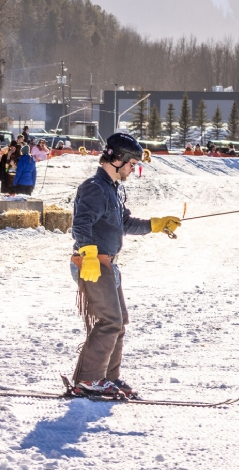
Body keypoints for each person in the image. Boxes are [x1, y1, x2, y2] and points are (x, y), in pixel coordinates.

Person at [69, 133, 181, 399]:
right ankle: (88, 380)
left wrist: (156, 224)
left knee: (120, 321)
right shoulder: (95, 187)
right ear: (117, 159)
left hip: (108, 264)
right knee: (111, 320)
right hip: (92, 263)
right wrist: (88, 254)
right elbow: (81, 223)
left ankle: (109, 377)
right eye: (132, 163)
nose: (134, 168)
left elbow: (125, 223)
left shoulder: (115, 188)